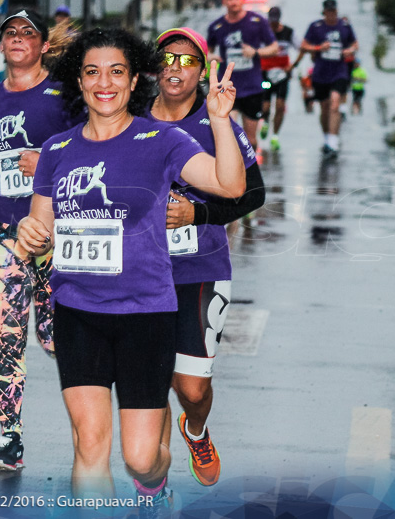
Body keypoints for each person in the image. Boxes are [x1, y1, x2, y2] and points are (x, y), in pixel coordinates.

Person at [15, 29, 245, 510]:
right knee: (89, 444)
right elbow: (40, 229)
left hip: (146, 314)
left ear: (134, 78)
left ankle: (155, 484)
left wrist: (221, 122)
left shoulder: (162, 140)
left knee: (141, 458)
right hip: (77, 311)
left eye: (116, 72)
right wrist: (31, 234)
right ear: (78, 81)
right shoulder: (57, 151)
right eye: (93, 72)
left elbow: (229, 184)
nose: (105, 83)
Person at [0, 8, 76, 471]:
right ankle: (10, 438)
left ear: (44, 45)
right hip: (4, 234)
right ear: (2, 44)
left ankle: (94, 424)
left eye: (28, 33)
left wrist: (47, 160)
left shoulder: (64, 95)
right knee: (7, 335)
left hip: (60, 232)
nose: (18, 38)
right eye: (10, 33)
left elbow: (96, 142)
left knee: (57, 337)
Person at [149, 28, 265, 486]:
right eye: (167, 59)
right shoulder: (127, 116)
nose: (176, 69)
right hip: (139, 272)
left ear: (201, 71)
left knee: (191, 388)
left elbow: (252, 194)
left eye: (187, 61)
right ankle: (152, 483)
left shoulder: (216, 123)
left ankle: (196, 430)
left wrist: (197, 212)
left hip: (200, 269)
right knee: (151, 386)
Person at [206, 0, 279, 147]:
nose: (234, 2)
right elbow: (207, 51)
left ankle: (250, 170)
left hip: (252, 87)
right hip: (227, 87)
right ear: (224, 1)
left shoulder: (257, 21)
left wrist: (256, 52)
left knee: (250, 140)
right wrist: (212, 57)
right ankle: (232, 170)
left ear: (242, 0)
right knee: (229, 135)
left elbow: (274, 47)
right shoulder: (216, 27)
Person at [300, 0, 358, 159]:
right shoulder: (316, 27)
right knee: (324, 108)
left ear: (337, 12)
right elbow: (303, 46)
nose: (331, 15)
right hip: (320, 74)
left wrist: (350, 51)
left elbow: (355, 44)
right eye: (328, 12)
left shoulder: (344, 27)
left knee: (334, 103)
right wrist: (319, 48)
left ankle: (333, 141)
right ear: (324, 12)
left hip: (339, 72)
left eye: (334, 12)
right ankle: (327, 138)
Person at [259, 7, 304, 151]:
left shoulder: (288, 32)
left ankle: (275, 136)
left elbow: (302, 49)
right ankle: (265, 122)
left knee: (279, 106)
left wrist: (293, 65)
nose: (273, 24)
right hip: (265, 74)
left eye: (275, 21)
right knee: (265, 107)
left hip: (282, 76)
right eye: (271, 21)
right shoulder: (262, 33)